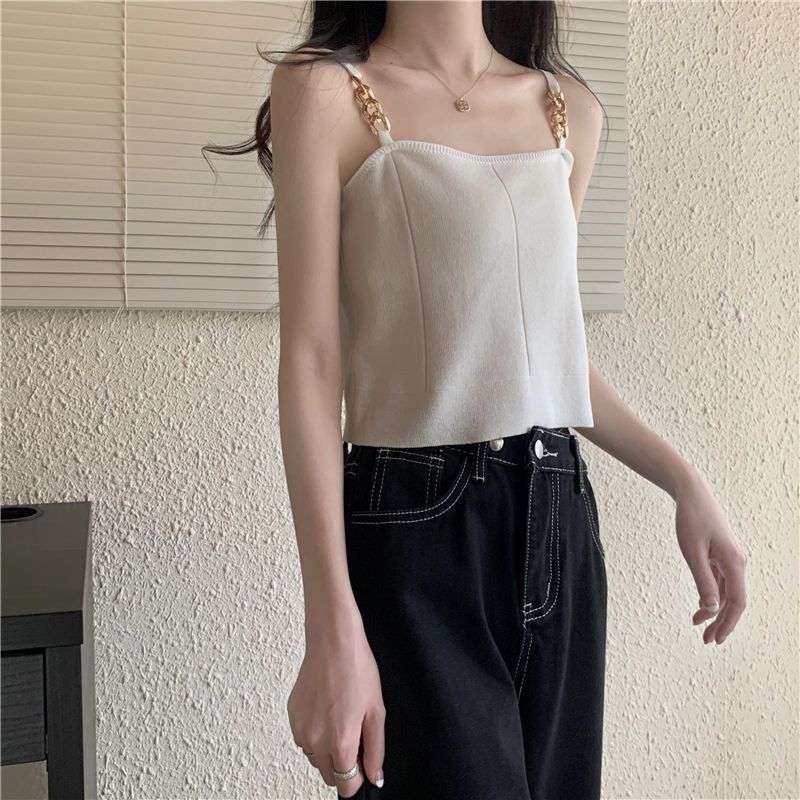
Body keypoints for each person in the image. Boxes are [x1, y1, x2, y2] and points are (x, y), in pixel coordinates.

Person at [205, 2, 749, 798]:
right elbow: (314, 360)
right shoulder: (325, 90)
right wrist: (331, 627)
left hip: (560, 518)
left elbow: (548, 361)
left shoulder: (569, 111)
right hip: (417, 531)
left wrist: (685, 482)